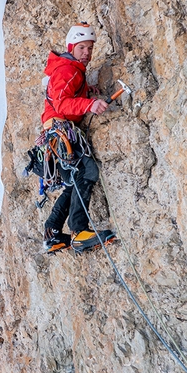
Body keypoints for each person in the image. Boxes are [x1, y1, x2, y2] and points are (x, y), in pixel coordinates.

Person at [42, 22, 115, 253]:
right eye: (82, 48)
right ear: (71, 46)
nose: (87, 53)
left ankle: (53, 231)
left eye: (90, 48)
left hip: (55, 132)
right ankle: (79, 231)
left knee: (74, 180)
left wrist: (86, 90)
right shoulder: (67, 69)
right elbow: (62, 103)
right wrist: (90, 104)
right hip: (61, 129)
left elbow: (64, 95)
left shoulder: (71, 70)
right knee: (87, 171)